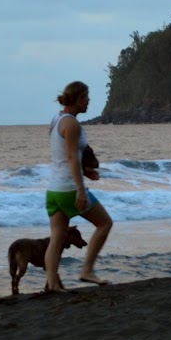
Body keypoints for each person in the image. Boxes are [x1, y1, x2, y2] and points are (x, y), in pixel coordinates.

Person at [44, 80, 113, 290]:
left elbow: (64, 155)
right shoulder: (72, 124)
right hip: (69, 189)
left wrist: (86, 171)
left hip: (53, 190)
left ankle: (52, 283)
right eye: (87, 98)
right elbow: (73, 157)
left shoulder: (57, 120)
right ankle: (87, 271)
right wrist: (81, 188)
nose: (89, 102)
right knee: (105, 224)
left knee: (56, 238)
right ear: (79, 98)